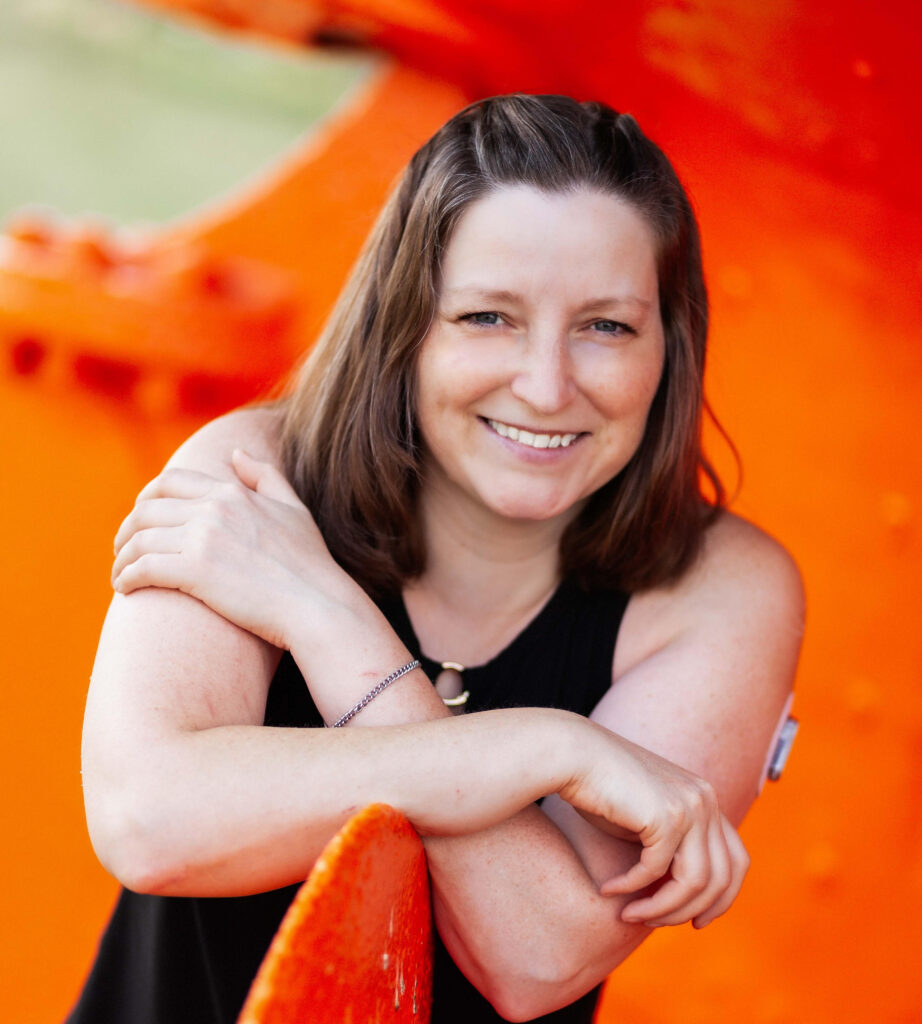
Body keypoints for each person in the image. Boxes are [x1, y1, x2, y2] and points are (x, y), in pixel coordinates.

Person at [69, 94, 803, 1024]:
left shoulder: (722, 586)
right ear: (405, 325)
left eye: (606, 326)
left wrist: (327, 618)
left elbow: (537, 960)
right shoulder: (249, 481)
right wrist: (547, 747)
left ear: (671, 345)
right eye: (488, 318)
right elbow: (150, 822)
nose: (544, 386)